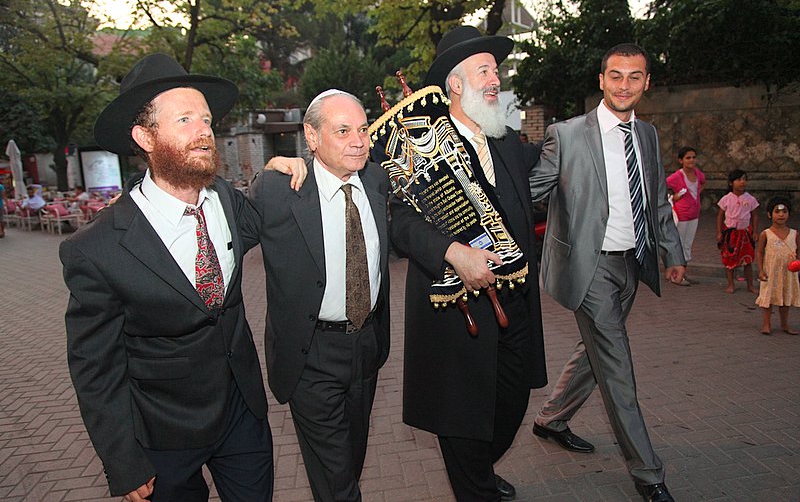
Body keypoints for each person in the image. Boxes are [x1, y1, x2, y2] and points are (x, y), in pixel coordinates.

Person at [60, 53, 274, 502]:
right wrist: (123, 460)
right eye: (184, 119)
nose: (204, 130)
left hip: (243, 416)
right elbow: (96, 369)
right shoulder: (97, 248)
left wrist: (279, 170)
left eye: (206, 119)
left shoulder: (227, 201)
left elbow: (269, 216)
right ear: (145, 137)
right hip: (164, 435)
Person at [391, 25, 547, 502]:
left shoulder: (506, 141)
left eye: (496, 71)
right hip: (456, 312)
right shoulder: (418, 147)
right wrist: (452, 252)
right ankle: (475, 485)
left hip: (514, 304)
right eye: (485, 71)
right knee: (461, 415)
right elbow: (398, 221)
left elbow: (551, 170)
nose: (496, 80)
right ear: (455, 84)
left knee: (511, 403)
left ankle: (478, 472)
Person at [529, 43, 685, 502]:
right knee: (617, 365)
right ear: (601, 80)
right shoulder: (566, 134)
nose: (624, 85)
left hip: (632, 263)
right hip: (588, 265)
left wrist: (672, 253)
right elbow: (531, 192)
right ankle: (648, 474)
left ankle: (552, 418)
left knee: (594, 350)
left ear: (647, 82)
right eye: (615, 75)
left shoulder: (648, 135)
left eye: (634, 76)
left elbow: (656, 200)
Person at [248, 89, 390, 502]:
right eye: (343, 131)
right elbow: (218, 222)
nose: (358, 141)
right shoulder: (280, 190)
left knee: (351, 461)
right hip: (311, 354)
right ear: (311, 137)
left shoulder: (376, 181)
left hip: (367, 346)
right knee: (337, 481)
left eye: (363, 129)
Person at [755, 195, 800, 335]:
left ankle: (784, 324)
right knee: (768, 299)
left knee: (785, 299)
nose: (781, 215)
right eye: (777, 211)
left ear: (789, 214)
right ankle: (766, 324)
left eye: (784, 211)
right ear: (770, 214)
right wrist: (760, 270)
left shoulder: (794, 234)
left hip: (788, 272)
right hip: (770, 272)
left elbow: (798, 251)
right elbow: (760, 252)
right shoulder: (766, 234)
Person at [666, 146, 705, 285]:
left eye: (693, 157)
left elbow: (702, 183)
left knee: (687, 245)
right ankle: (676, 275)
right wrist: (673, 197)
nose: (691, 160)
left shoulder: (698, 174)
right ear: (681, 160)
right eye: (688, 158)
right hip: (681, 214)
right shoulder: (677, 176)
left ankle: (683, 273)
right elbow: (662, 186)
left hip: (694, 213)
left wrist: (697, 195)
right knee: (679, 244)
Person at [716, 169, 759, 294]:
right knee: (729, 259)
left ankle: (750, 285)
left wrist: (755, 231)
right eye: (739, 180)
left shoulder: (750, 199)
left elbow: (755, 215)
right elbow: (720, 216)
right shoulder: (726, 199)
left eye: (744, 179)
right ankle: (731, 284)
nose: (742, 182)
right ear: (731, 183)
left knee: (747, 260)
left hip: (745, 233)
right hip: (730, 233)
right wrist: (719, 232)